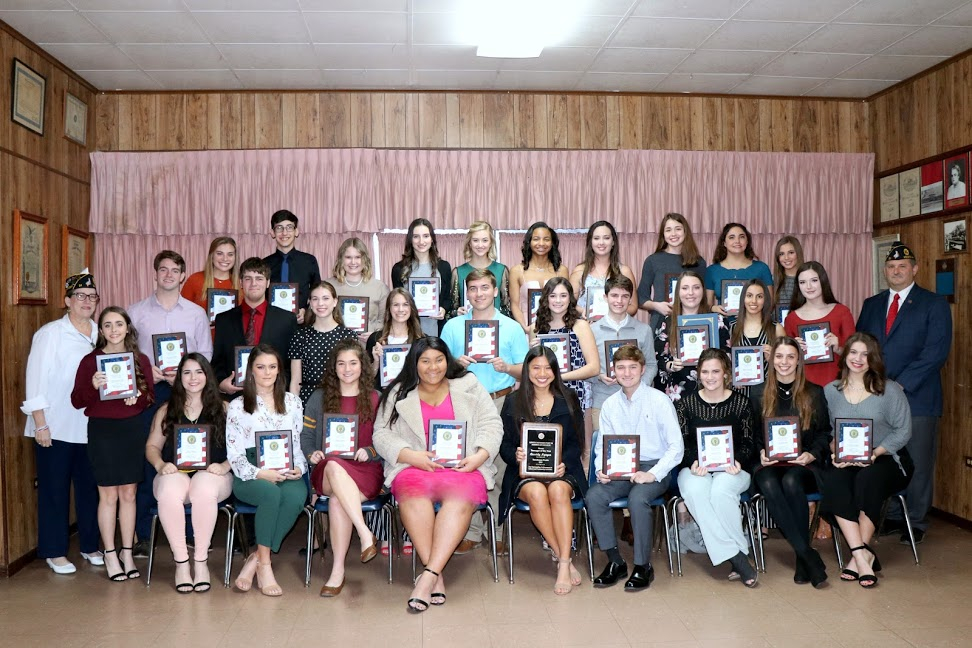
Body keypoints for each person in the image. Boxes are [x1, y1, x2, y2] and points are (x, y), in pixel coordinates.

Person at [373, 337, 503, 613]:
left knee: (460, 499)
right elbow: (381, 434)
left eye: (439, 359)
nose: (433, 367)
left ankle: (428, 576)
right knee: (412, 496)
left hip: (462, 468)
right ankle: (436, 574)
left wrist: (479, 456)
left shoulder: (468, 384)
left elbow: (492, 423)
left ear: (448, 360)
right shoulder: (398, 392)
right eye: (425, 361)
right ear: (414, 363)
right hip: (416, 467)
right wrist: (410, 455)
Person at [856, 242, 951, 545]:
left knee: (918, 460)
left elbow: (936, 352)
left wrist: (900, 384)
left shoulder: (933, 303)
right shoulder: (872, 304)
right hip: (877, 397)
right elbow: (861, 346)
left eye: (902, 266)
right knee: (888, 458)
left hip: (917, 396)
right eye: (891, 266)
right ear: (885, 270)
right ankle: (895, 516)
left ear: (914, 269)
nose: (896, 271)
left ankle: (917, 520)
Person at [128, 249, 213, 556]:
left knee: (190, 457)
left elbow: (205, 354)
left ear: (182, 276)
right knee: (148, 456)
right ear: (155, 273)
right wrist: (144, 369)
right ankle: (144, 534)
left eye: (174, 270)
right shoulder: (135, 312)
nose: (168, 275)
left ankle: (189, 532)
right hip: (149, 393)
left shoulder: (196, 313)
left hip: (187, 394)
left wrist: (188, 374)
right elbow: (127, 354)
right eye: (163, 269)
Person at [441, 268, 528, 555]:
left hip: (501, 401)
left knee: (500, 468)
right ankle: (472, 531)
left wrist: (508, 367)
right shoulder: (453, 326)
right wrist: (455, 364)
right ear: (467, 293)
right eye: (473, 288)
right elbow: (437, 368)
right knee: (467, 466)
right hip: (463, 402)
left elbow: (526, 371)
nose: (479, 294)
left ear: (495, 291)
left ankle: (498, 530)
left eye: (484, 288)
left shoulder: (512, 327)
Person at [22, 272, 103, 574]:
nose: (86, 301)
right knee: (54, 490)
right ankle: (54, 551)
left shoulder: (100, 332)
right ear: (67, 301)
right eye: (80, 296)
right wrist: (40, 424)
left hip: (90, 426)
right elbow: (35, 380)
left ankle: (90, 546)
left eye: (92, 296)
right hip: (55, 426)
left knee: (89, 490)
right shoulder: (50, 334)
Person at [820, 333, 914, 588]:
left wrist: (874, 454)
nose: (858, 359)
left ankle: (856, 557)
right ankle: (862, 556)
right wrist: (836, 452)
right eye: (853, 352)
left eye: (865, 354)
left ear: (874, 359)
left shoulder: (889, 390)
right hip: (847, 459)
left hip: (887, 458)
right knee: (835, 479)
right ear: (844, 355)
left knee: (868, 478)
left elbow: (903, 430)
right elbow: (829, 432)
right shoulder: (831, 391)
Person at [587, 346, 684, 592]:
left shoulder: (659, 400)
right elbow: (602, 445)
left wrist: (652, 474)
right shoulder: (610, 404)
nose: (627, 373)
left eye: (632, 367)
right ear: (614, 371)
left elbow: (676, 447)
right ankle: (615, 561)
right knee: (595, 496)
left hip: (655, 467)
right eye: (621, 367)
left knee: (638, 498)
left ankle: (643, 565)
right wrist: (601, 470)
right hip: (621, 467)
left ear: (642, 370)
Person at [71, 307, 154, 582]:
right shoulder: (90, 361)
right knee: (108, 496)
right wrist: (92, 386)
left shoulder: (140, 359)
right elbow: (76, 401)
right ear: (101, 330)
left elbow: (150, 397)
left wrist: (137, 397)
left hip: (131, 431)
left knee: (129, 493)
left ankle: (127, 553)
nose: (114, 330)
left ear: (128, 327)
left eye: (119, 324)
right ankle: (109, 553)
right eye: (108, 325)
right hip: (103, 432)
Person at [498, 346, 588, 595]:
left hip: (562, 471)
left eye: (548, 368)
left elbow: (576, 443)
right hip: (525, 473)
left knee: (558, 491)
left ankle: (563, 562)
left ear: (555, 371)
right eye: (536, 367)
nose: (542, 373)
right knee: (537, 493)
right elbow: (504, 445)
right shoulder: (513, 401)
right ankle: (564, 558)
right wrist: (516, 455)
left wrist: (563, 463)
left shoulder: (568, 398)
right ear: (526, 371)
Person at [300, 339, 383, 597]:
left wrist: (370, 451)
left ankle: (337, 571)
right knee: (335, 466)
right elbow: (306, 436)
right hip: (327, 469)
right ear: (333, 368)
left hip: (365, 470)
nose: (347, 369)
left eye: (353, 363)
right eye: (341, 364)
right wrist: (311, 453)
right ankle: (365, 532)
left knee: (337, 501)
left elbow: (385, 440)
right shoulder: (319, 397)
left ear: (363, 366)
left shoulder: (376, 398)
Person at [145, 354, 231, 593]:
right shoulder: (166, 410)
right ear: (179, 378)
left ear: (208, 376)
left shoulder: (225, 408)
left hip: (215, 474)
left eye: (199, 372)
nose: (193, 378)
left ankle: (201, 561)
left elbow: (240, 448)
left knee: (203, 487)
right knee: (169, 489)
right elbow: (152, 447)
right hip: (176, 472)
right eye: (187, 372)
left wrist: (225, 466)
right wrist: (160, 465)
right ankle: (182, 562)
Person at [227, 344, 308, 596]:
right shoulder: (238, 405)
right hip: (250, 470)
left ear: (279, 370)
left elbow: (297, 444)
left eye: (272, 367)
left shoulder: (293, 402)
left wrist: (299, 467)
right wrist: (260, 473)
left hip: (285, 466)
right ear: (251, 370)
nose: (267, 372)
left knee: (295, 497)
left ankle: (255, 557)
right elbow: (234, 454)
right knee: (271, 494)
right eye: (261, 367)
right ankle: (265, 565)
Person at [675, 348, 761, 588]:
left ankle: (735, 556)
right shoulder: (686, 404)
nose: (710, 377)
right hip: (695, 468)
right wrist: (693, 461)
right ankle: (737, 556)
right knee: (696, 491)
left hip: (734, 468)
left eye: (715, 371)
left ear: (725, 374)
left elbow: (749, 442)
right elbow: (681, 443)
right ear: (698, 374)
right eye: (705, 372)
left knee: (721, 491)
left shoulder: (742, 403)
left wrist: (737, 461)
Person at [751, 337, 832, 588]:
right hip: (770, 463)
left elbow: (824, 432)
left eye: (790, 357)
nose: (784, 362)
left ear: (798, 360)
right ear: (771, 359)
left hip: (803, 463)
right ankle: (806, 554)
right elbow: (752, 435)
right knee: (767, 480)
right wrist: (761, 451)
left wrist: (811, 454)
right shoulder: (758, 393)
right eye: (779, 356)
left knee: (791, 480)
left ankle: (801, 557)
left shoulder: (814, 392)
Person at [532, 277, 599, 456]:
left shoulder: (580, 326)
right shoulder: (536, 328)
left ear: (570, 298)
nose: (558, 300)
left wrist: (560, 377)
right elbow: (531, 368)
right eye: (553, 296)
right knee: (547, 447)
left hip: (573, 393)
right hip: (544, 393)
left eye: (563, 295)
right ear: (545, 298)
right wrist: (532, 352)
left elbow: (594, 367)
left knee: (575, 449)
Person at [212, 257, 298, 397]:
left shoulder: (287, 319)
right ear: (241, 282)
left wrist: (278, 387)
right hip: (235, 397)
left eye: (259, 278)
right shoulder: (223, 320)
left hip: (274, 397)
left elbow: (291, 364)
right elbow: (218, 361)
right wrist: (221, 383)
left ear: (268, 282)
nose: (253, 283)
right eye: (248, 279)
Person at [589, 275, 658, 420]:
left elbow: (651, 364)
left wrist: (638, 385)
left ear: (630, 299)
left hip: (639, 401)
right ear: (605, 297)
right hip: (603, 400)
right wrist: (599, 377)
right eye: (614, 295)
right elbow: (585, 368)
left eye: (625, 296)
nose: (619, 301)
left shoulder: (644, 330)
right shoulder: (591, 331)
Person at [654, 271, 730, 403]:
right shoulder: (667, 321)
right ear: (678, 292)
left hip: (711, 391)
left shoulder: (718, 321)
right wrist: (670, 365)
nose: (691, 293)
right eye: (685, 288)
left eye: (696, 287)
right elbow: (657, 359)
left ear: (703, 291)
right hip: (677, 393)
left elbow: (727, 356)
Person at [784, 262, 855, 387]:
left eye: (814, 280)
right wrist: (794, 351)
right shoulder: (791, 318)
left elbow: (855, 354)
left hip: (839, 384)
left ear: (823, 281)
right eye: (802, 282)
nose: (809, 286)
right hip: (804, 386)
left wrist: (838, 348)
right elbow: (786, 361)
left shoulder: (841, 312)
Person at [287, 281, 358, 408]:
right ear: (310, 303)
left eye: (325, 298)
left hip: (339, 397)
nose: (320, 303)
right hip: (308, 400)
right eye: (315, 299)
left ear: (335, 302)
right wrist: (294, 409)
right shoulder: (300, 336)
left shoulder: (348, 336)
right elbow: (296, 381)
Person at [638, 212, 707, 328]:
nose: (673, 234)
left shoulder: (699, 262)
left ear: (685, 232)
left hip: (692, 323)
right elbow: (640, 297)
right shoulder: (653, 261)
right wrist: (656, 306)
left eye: (678, 229)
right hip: (661, 324)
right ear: (663, 234)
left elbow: (704, 297)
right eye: (668, 230)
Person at [390, 218, 453, 337]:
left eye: (425, 236)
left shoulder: (444, 267)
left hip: (436, 331)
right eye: (416, 237)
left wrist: (443, 309)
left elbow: (447, 299)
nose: (421, 241)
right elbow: (397, 301)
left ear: (432, 239)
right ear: (410, 240)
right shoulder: (398, 269)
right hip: (408, 332)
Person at [569, 220, 638, 321]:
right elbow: (569, 304)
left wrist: (613, 311)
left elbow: (633, 307)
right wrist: (585, 311)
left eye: (606, 238)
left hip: (615, 327)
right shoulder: (579, 271)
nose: (601, 242)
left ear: (613, 242)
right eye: (596, 238)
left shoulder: (624, 271)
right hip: (586, 327)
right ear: (590, 242)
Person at [263, 209, 322, 325]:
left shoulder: (309, 261)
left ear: (296, 231)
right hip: (271, 324)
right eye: (279, 228)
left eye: (289, 227)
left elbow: (317, 292)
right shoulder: (264, 264)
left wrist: (306, 311)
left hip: (302, 326)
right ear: (272, 233)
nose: (284, 233)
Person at [509, 221, 569, 333]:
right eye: (536, 239)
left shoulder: (561, 270)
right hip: (526, 329)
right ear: (529, 242)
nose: (541, 243)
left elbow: (566, 301)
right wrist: (525, 328)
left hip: (555, 329)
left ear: (552, 243)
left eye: (546, 239)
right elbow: (515, 304)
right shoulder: (516, 271)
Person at [704, 223, 773, 317]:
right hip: (723, 323)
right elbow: (707, 305)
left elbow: (770, 303)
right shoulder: (712, 271)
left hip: (754, 322)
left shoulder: (761, 268)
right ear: (724, 243)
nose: (737, 241)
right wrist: (713, 308)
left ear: (747, 241)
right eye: (731, 237)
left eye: (742, 237)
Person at [327, 237, 390, 337]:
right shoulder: (328, 286)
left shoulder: (380, 288)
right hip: (335, 344)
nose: (353, 262)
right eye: (348, 257)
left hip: (368, 345)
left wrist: (375, 336)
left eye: (357, 257)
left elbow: (385, 321)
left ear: (365, 259)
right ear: (341, 259)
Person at [366, 288, 426, 391]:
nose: (400, 309)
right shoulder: (375, 339)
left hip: (412, 395)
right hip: (383, 396)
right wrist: (376, 361)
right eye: (396, 305)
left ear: (411, 308)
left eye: (405, 304)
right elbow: (367, 379)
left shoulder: (422, 340)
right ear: (389, 308)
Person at [450, 220, 511, 318]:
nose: (480, 245)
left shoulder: (501, 271)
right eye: (475, 240)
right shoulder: (458, 272)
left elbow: (507, 309)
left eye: (485, 240)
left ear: (491, 243)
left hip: (496, 325)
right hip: (466, 325)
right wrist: (456, 313)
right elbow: (451, 310)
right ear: (469, 243)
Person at [181, 236, 239, 311]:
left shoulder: (241, 283)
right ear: (211, 256)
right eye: (219, 253)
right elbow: (182, 311)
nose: (225, 258)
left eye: (230, 254)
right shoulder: (195, 279)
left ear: (235, 257)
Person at [772, 236, 804, 319]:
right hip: (777, 326)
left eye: (791, 252)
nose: (786, 258)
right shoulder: (772, 280)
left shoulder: (808, 280)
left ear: (798, 253)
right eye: (781, 254)